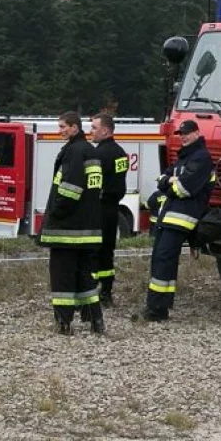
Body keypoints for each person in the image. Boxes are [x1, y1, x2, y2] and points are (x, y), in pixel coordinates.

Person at [137, 119, 214, 322]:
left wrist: (169, 183)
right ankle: (157, 306)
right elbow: (162, 179)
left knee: (164, 259)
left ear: (197, 133)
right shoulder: (183, 158)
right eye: (181, 133)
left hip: (183, 218)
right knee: (160, 259)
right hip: (169, 216)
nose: (183, 136)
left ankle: (156, 309)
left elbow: (184, 189)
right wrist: (168, 181)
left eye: (187, 133)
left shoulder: (202, 158)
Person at [37, 112, 105, 335]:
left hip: (67, 230)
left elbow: (70, 190)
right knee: (85, 277)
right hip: (88, 229)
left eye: (64, 126)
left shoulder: (74, 152)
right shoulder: (90, 151)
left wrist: (55, 213)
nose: (60, 131)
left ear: (75, 127)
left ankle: (63, 323)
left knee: (62, 277)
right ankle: (96, 321)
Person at [89, 113, 128, 306]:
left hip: (98, 209)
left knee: (94, 251)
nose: (91, 132)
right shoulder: (120, 153)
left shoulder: (98, 155)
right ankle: (106, 292)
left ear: (105, 130)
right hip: (113, 209)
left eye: (94, 128)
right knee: (107, 252)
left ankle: (89, 292)